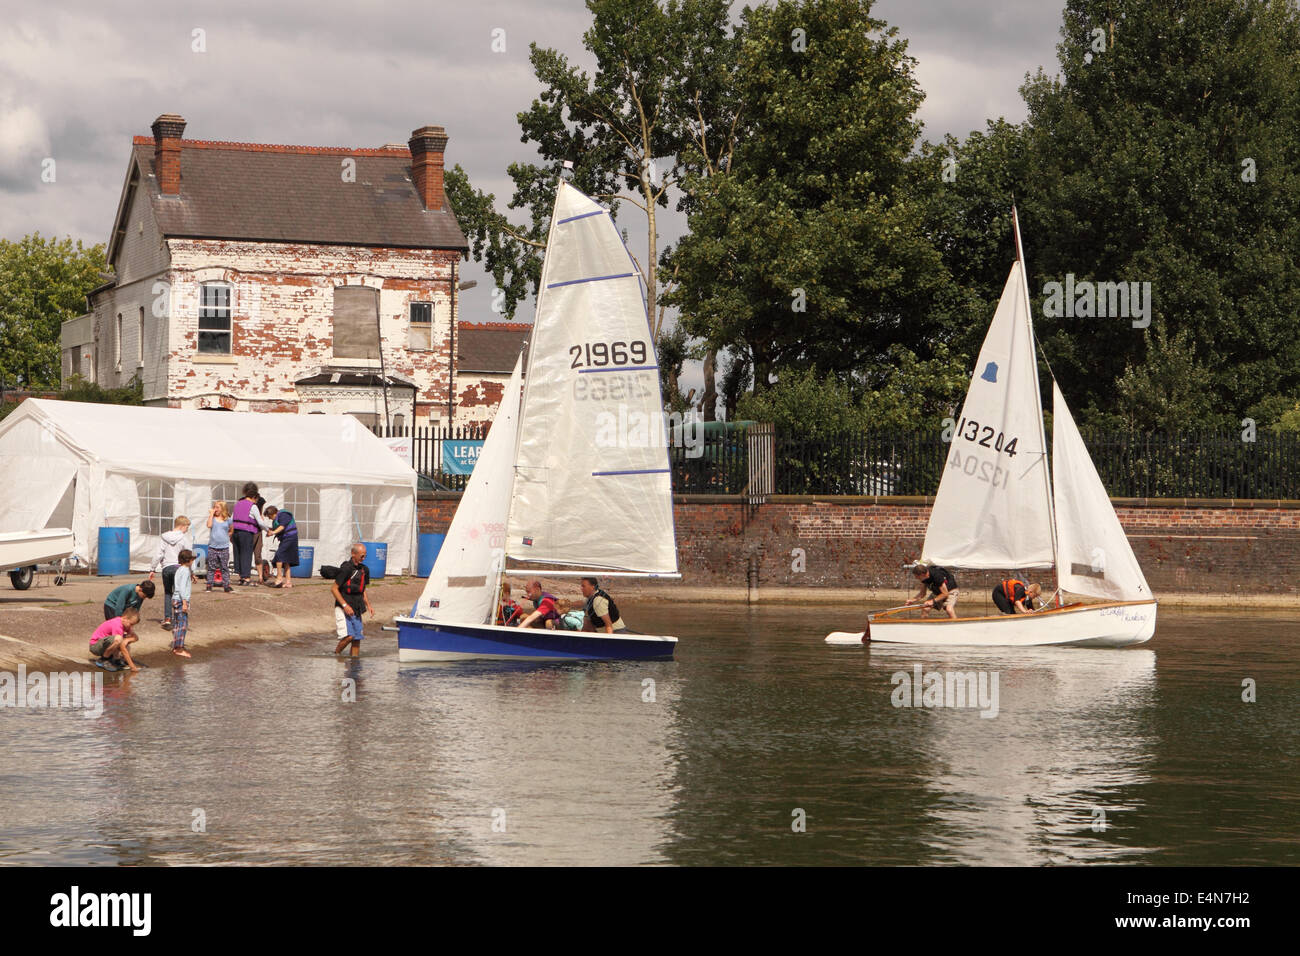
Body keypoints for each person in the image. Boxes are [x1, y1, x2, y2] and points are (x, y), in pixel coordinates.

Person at [149, 515, 192, 629]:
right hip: (179, 567)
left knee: (168, 593)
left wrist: (152, 568)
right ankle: (179, 617)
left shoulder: (164, 537)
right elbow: (188, 555)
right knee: (180, 591)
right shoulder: (183, 538)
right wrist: (191, 571)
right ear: (182, 526)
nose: (187, 530)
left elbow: (159, 553)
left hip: (167, 568)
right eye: (187, 527)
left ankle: (167, 618)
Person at [332, 543, 373, 657]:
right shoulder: (346, 569)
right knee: (349, 636)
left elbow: (362, 589)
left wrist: (368, 605)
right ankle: (336, 655)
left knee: (356, 638)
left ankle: (354, 665)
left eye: (365, 556)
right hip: (343, 606)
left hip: (357, 606)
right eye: (361, 556)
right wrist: (345, 605)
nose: (363, 558)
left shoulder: (365, 570)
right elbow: (334, 589)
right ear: (353, 554)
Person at [231, 484, 268, 586]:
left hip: (235, 532)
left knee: (237, 554)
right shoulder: (253, 506)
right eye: (256, 500)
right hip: (246, 533)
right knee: (246, 554)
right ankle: (246, 577)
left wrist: (230, 533)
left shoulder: (237, 503)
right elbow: (260, 522)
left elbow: (231, 519)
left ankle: (241, 577)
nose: (256, 502)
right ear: (254, 497)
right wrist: (268, 530)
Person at [89, 607, 142, 672]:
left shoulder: (126, 625)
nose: (131, 627)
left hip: (105, 645)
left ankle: (116, 660)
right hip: (95, 646)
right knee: (119, 639)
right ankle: (103, 660)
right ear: (125, 618)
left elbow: (136, 637)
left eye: (133, 625)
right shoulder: (117, 624)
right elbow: (122, 647)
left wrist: (127, 640)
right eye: (131, 624)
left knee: (126, 645)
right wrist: (132, 666)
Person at [263, 505, 300, 588]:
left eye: (269, 517)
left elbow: (282, 526)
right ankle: (288, 582)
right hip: (285, 539)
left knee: (279, 555)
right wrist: (269, 531)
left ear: (273, 513)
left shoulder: (284, 515)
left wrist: (273, 532)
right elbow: (277, 528)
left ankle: (279, 578)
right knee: (286, 560)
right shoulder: (276, 519)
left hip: (290, 538)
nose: (269, 519)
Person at [205, 501, 234, 593]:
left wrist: (226, 537)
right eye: (214, 507)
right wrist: (211, 514)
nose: (215, 509)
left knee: (224, 567)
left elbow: (231, 530)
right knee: (211, 567)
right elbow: (209, 525)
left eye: (217, 507)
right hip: (213, 547)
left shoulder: (228, 520)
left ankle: (226, 585)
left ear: (222, 509)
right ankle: (209, 584)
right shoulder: (213, 518)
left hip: (224, 547)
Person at [170, 549, 194, 658]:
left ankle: (177, 645)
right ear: (188, 560)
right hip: (180, 600)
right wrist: (184, 602)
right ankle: (178, 648)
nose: (193, 561)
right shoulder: (185, 571)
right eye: (192, 559)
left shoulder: (180, 569)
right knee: (182, 624)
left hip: (175, 599)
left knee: (177, 623)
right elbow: (182, 588)